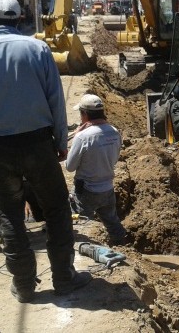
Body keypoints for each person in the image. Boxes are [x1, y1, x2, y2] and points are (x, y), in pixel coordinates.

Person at [0, 0, 91, 303]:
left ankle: (24, 285)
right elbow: (55, 99)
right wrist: (60, 142)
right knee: (57, 210)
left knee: (9, 216)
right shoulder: (38, 49)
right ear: (18, 20)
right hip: (38, 144)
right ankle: (63, 278)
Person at [66, 94, 127, 246]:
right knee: (112, 223)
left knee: (80, 225)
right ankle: (122, 247)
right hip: (107, 188)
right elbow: (114, 158)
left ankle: (83, 250)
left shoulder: (83, 137)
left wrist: (77, 136)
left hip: (86, 190)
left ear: (85, 114)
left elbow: (70, 166)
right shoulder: (114, 131)